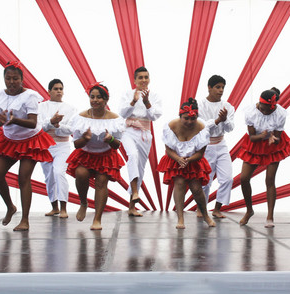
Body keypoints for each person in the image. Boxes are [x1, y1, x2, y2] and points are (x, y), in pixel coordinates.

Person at [0, 61, 56, 231]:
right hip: (10, 140)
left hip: (31, 141)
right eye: (8, 78)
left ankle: (25, 220)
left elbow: (33, 123)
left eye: (15, 78)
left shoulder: (30, 96)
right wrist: (0, 121)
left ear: (22, 79)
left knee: (23, 177)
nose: (11, 82)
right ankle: (10, 206)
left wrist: (14, 120)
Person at [66, 83, 125, 230]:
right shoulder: (81, 117)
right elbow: (77, 144)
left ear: (106, 100)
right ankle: (83, 202)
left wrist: (110, 139)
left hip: (105, 155)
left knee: (101, 181)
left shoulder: (114, 119)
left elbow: (117, 145)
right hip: (85, 154)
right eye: (92, 97)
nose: (95, 100)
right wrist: (85, 139)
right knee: (80, 173)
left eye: (99, 97)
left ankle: (97, 219)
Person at [157, 98, 216, 229]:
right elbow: (168, 149)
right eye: (186, 118)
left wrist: (189, 160)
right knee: (179, 184)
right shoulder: (171, 126)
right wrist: (178, 159)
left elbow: (200, 153)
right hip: (175, 159)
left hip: (194, 160)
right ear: (180, 116)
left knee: (196, 188)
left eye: (193, 118)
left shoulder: (202, 128)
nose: (189, 122)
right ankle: (180, 218)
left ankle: (205, 215)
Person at [238, 88, 290, 228]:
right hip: (255, 143)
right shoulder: (251, 112)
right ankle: (249, 210)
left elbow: (279, 137)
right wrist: (263, 136)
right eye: (262, 109)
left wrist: (273, 138)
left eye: (267, 110)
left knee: (269, 179)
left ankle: (270, 216)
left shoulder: (280, 113)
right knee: (244, 178)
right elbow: (251, 136)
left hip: (272, 146)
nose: (264, 112)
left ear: (273, 107)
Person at [119, 66, 163, 217]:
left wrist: (147, 102)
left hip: (145, 133)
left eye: (146, 77)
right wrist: (133, 101)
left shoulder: (155, 96)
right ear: (135, 80)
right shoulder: (127, 94)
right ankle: (136, 191)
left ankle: (132, 205)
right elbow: (122, 113)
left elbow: (155, 116)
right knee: (132, 155)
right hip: (128, 131)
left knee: (140, 167)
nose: (144, 80)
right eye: (140, 78)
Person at [197, 75, 235, 218]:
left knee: (227, 179)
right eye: (218, 87)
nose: (221, 90)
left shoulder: (228, 107)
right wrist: (217, 120)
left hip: (221, 144)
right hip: (205, 146)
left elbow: (230, 127)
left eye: (223, 87)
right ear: (209, 87)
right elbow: (200, 126)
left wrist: (224, 120)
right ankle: (201, 208)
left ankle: (217, 208)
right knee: (205, 181)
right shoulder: (200, 105)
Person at [38, 79, 77, 218]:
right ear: (49, 91)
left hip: (62, 145)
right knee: (49, 176)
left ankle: (64, 207)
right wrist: (51, 122)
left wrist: (58, 125)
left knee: (59, 172)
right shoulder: (41, 107)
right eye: (55, 88)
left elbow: (72, 129)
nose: (59, 91)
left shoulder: (71, 108)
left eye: (61, 88)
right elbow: (39, 127)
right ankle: (54, 207)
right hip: (46, 145)